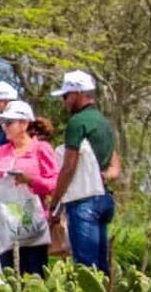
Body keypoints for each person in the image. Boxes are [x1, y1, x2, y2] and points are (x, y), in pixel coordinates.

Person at [0, 100, 59, 276]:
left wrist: (31, 180)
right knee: (9, 273)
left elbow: (54, 184)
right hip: (3, 221)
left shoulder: (41, 149)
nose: (5, 127)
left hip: (32, 220)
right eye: (3, 123)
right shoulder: (1, 152)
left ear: (25, 124)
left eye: (9, 123)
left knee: (35, 272)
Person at [46, 70, 120, 274]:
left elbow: (69, 167)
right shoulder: (103, 122)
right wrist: (102, 177)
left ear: (78, 93)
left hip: (83, 202)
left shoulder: (77, 123)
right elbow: (116, 167)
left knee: (86, 267)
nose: (64, 102)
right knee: (101, 265)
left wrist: (55, 204)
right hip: (104, 198)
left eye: (66, 96)